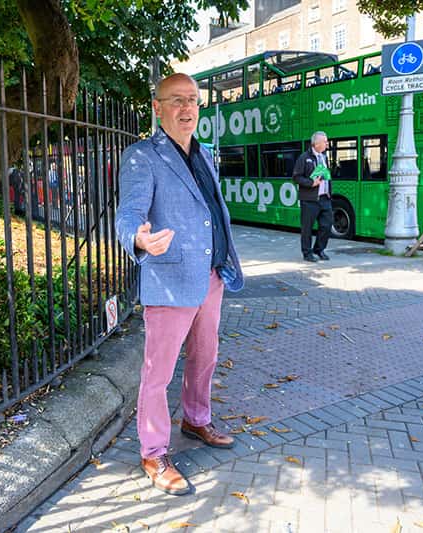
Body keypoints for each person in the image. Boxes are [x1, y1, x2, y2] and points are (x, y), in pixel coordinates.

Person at [115, 73, 244, 496]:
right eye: (176, 101)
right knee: (158, 371)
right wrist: (137, 237)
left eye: (193, 100)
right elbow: (129, 212)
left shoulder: (205, 154)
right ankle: (153, 451)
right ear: (157, 107)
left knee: (205, 356)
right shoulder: (142, 156)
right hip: (170, 278)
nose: (187, 109)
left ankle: (196, 419)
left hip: (211, 275)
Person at [292, 131, 333, 262]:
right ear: (316, 143)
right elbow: (296, 177)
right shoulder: (304, 157)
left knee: (327, 225)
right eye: (325, 141)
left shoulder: (324, 157)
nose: (327, 143)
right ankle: (307, 253)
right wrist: (311, 183)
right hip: (309, 199)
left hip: (324, 198)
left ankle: (319, 249)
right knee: (307, 228)